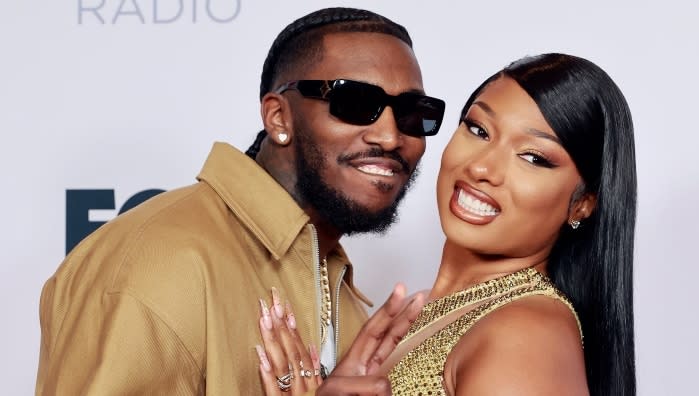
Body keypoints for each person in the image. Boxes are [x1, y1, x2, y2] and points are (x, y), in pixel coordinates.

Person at [35, 7, 446, 395]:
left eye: (414, 113)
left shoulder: (332, 278)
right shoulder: (159, 262)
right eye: (355, 104)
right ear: (279, 117)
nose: (391, 137)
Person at [257, 53, 637, 395]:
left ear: (583, 205)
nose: (482, 167)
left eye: (533, 157)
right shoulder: (432, 315)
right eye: (478, 129)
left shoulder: (524, 334)